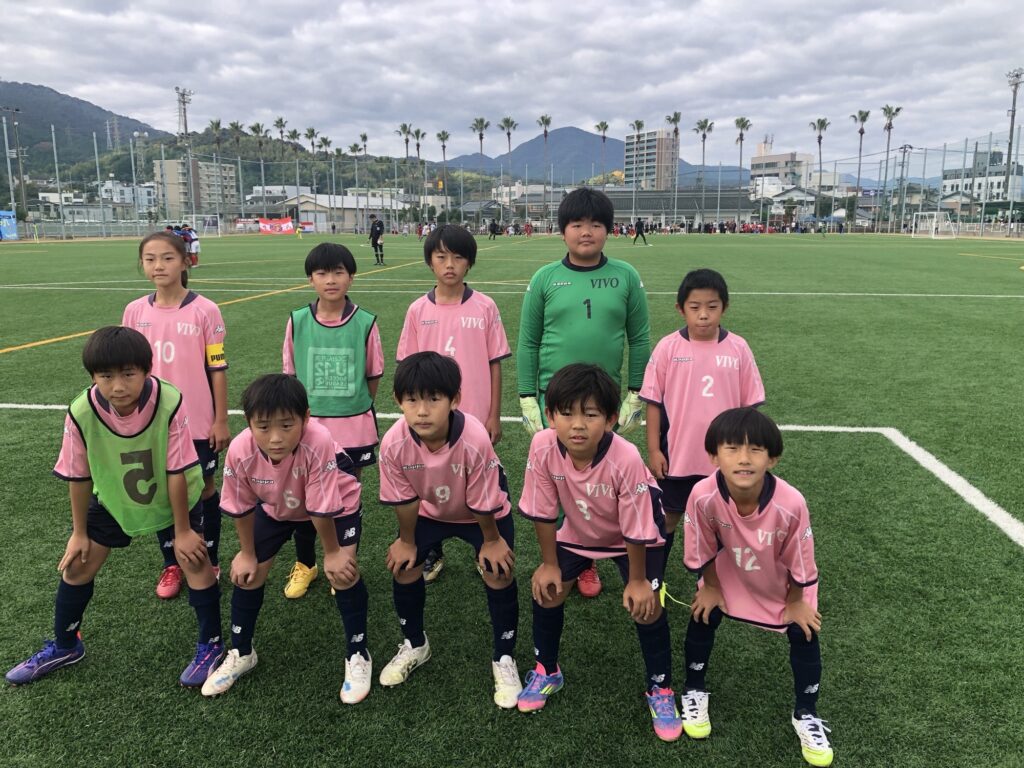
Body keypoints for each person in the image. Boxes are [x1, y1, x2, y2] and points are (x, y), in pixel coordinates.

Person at [5, 327, 223, 687]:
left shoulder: (168, 400)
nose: (118, 386)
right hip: (113, 497)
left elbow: (176, 469)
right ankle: (66, 645)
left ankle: (211, 646)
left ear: (147, 370)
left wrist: (183, 530)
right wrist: (78, 533)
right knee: (77, 564)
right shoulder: (81, 410)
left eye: (128, 374)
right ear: (93, 376)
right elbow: (79, 475)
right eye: (106, 376)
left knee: (195, 560)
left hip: (173, 495)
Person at [516, 364, 679, 741]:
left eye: (590, 415)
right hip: (579, 529)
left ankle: (660, 687)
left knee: (646, 606)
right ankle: (546, 670)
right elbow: (543, 509)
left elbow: (636, 525)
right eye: (566, 413)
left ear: (609, 419)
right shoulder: (542, 446)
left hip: (635, 536)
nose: (577, 425)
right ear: (550, 415)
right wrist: (549, 564)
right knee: (549, 590)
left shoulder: (625, 457)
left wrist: (637, 581)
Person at [201, 374, 372, 703]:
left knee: (343, 572)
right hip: (279, 506)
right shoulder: (240, 449)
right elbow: (240, 505)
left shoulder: (318, 440)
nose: (276, 438)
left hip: (337, 506)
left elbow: (321, 504)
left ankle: (358, 652)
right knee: (248, 574)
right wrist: (247, 553)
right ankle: (242, 652)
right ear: (248, 421)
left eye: (286, 425)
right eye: (263, 427)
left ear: (306, 418)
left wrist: (333, 553)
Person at [680, 407, 833, 767]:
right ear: (713, 456)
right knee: (703, 613)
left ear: (772, 458)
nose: (744, 458)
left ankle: (806, 712)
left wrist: (796, 602)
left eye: (756, 449)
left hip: (782, 585)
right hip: (729, 575)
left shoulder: (791, 503)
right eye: (732, 448)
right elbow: (702, 547)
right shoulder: (702, 495)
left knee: (804, 630)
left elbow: (800, 561)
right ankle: (694, 690)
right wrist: (711, 586)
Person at [517, 186, 651, 598]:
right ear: (563, 231)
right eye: (577, 224)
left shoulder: (625, 275)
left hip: (600, 403)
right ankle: (564, 558)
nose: (586, 232)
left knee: (598, 480)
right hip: (555, 400)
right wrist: (527, 396)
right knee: (557, 480)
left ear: (609, 230)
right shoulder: (545, 278)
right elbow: (528, 341)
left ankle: (593, 556)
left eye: (595, 224)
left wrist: (636, 392)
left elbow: (639, 338)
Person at [377, 352, 521, 709]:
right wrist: (406, 541)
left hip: (483, 515)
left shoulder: (474, 438)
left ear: (454, 400)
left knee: (498, 570)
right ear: (398, 401)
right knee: (404, 566)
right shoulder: (393, 443)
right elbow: (405, 499)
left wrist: (492, 541)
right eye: (412, 400)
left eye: (433, 399)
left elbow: (483, 499)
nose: (422, 411)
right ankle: (415, 644)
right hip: (431, 512)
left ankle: (504, 656)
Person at [396, 224, 510, 584]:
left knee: (476, 480)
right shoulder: (417, 309)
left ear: (469, 262)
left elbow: (495, 363)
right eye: (441, 256)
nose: (449, 264)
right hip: (432, 418)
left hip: (474, 418)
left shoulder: (485, 306)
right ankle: (433, 548)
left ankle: (483, 542)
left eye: (458, 257)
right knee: (431, 479)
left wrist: (494, 414)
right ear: (429, 261)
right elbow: (408, 368)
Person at [123, 232, 230, 600]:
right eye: (150, 259)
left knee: (205, 489)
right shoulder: (134, 311)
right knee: (162, 493)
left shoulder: (206, 310)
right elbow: (128, 370)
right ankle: (172, 563)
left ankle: (210, 558)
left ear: (185, 262)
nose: (159, 266)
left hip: (197, 422)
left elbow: (217, 368)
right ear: (142, 264)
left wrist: (220, 419)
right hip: (151, 423)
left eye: (167, 258)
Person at [639, 268, 764, 569]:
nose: (704, 315)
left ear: (725, 307)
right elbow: (653, 403)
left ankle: (711, 584)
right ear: (681, 309)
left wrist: (747, 453)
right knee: (667, 518)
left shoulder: (738, 348)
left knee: (721, 521)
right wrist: (654, 450)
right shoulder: (668, 347)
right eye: (695, 307)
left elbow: (750, 409)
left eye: (712, 306)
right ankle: (655, 580)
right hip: (677, 457)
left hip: (725, 460)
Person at [281, 243, 383, 599]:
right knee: (303, 500)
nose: (330, 280)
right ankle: (306, 564)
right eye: (322, 273)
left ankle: (342, 563)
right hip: (308, 430)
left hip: (353, 428)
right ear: (310, 279)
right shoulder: (297, 320)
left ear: (351, 277)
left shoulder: (365, 322)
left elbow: (373, 376)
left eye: (339, 272)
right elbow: (290, 375)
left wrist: (354, 407)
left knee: (346, 498)